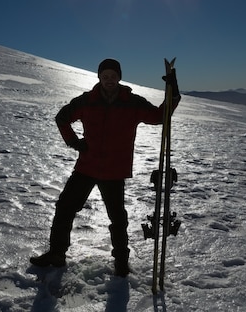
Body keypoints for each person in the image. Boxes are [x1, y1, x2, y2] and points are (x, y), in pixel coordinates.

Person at [30, 58, 180, 277]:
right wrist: (74, 142)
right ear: (99, 77)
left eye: (113, 76)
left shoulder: (132, 102)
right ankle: (57, 254)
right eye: (105, 76)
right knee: (65, 208)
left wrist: (173, 95)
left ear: (119, 77)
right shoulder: (87, 101)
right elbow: (62, 118)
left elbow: (159, 117)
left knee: (117, 218)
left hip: (114, 171)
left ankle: (121, 262)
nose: (109, 80)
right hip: (86, 167)